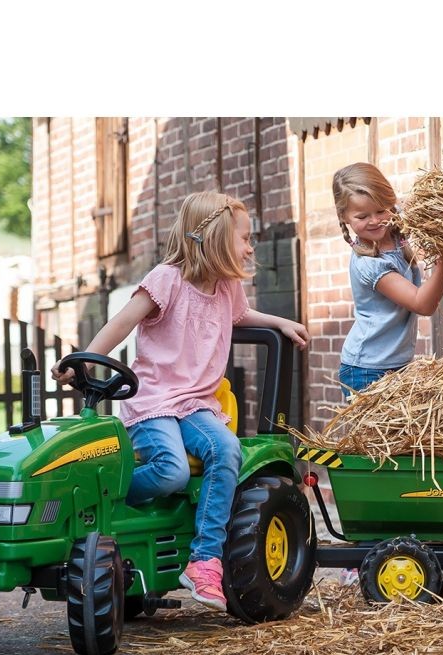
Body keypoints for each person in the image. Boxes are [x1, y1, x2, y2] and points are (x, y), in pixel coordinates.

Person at [51, 191, 309, 612]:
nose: (249, 248)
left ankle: (205, 560)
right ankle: (108, 503)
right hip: (153, 401)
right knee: (170, 472)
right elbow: (122, 322)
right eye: (244, 239)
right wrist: (80, 360)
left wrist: (280, 321)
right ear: (215, 239)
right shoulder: (166, 280)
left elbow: (241, 317)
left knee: (226, 448)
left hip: (197, 404)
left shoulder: (226, 289)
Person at [332, 162, 443, 397]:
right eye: (362, 216)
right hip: (367, 370)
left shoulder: (396, 233)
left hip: (395, 364)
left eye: (381, 210)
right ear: (344, 217)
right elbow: (422, 304)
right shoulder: (369, 263)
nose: (375, 220)